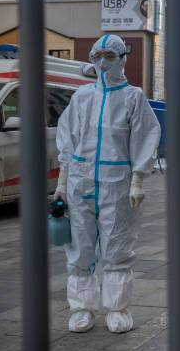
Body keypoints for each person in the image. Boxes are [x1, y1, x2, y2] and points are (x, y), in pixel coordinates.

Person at [54, 34, 161, 334]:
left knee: (117, 246)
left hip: (117, 181)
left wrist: (138, 179)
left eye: (109, 56)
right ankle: (81, 308)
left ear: (122, 59)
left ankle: (116, 308)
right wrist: (62, 181)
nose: (102, 62)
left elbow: (145, 137)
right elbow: (68, 138)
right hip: (80, 179)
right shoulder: (82, 96)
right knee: (79, 247)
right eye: (97, 56)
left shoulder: (133, 97)